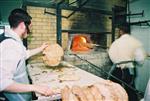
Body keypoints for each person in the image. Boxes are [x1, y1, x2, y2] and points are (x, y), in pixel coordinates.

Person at [0, 8, 55, 101]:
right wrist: (35, 87)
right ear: (22, 25)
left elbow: (24, 54)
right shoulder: (10, 45)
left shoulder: (12, 39)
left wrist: (41, 48)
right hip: (14, 98)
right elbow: (2, 83)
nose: (30, 30)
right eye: (30, 26)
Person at [108, 23, 146, 101]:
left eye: (118, 31)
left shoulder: (116, 42)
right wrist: (134, 62)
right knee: (130, 89)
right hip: (129, 70)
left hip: (117, 69)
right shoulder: (135, 42)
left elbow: (111, 54)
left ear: (121, 31)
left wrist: (118, 61)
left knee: (114, 90)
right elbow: (140, 59)